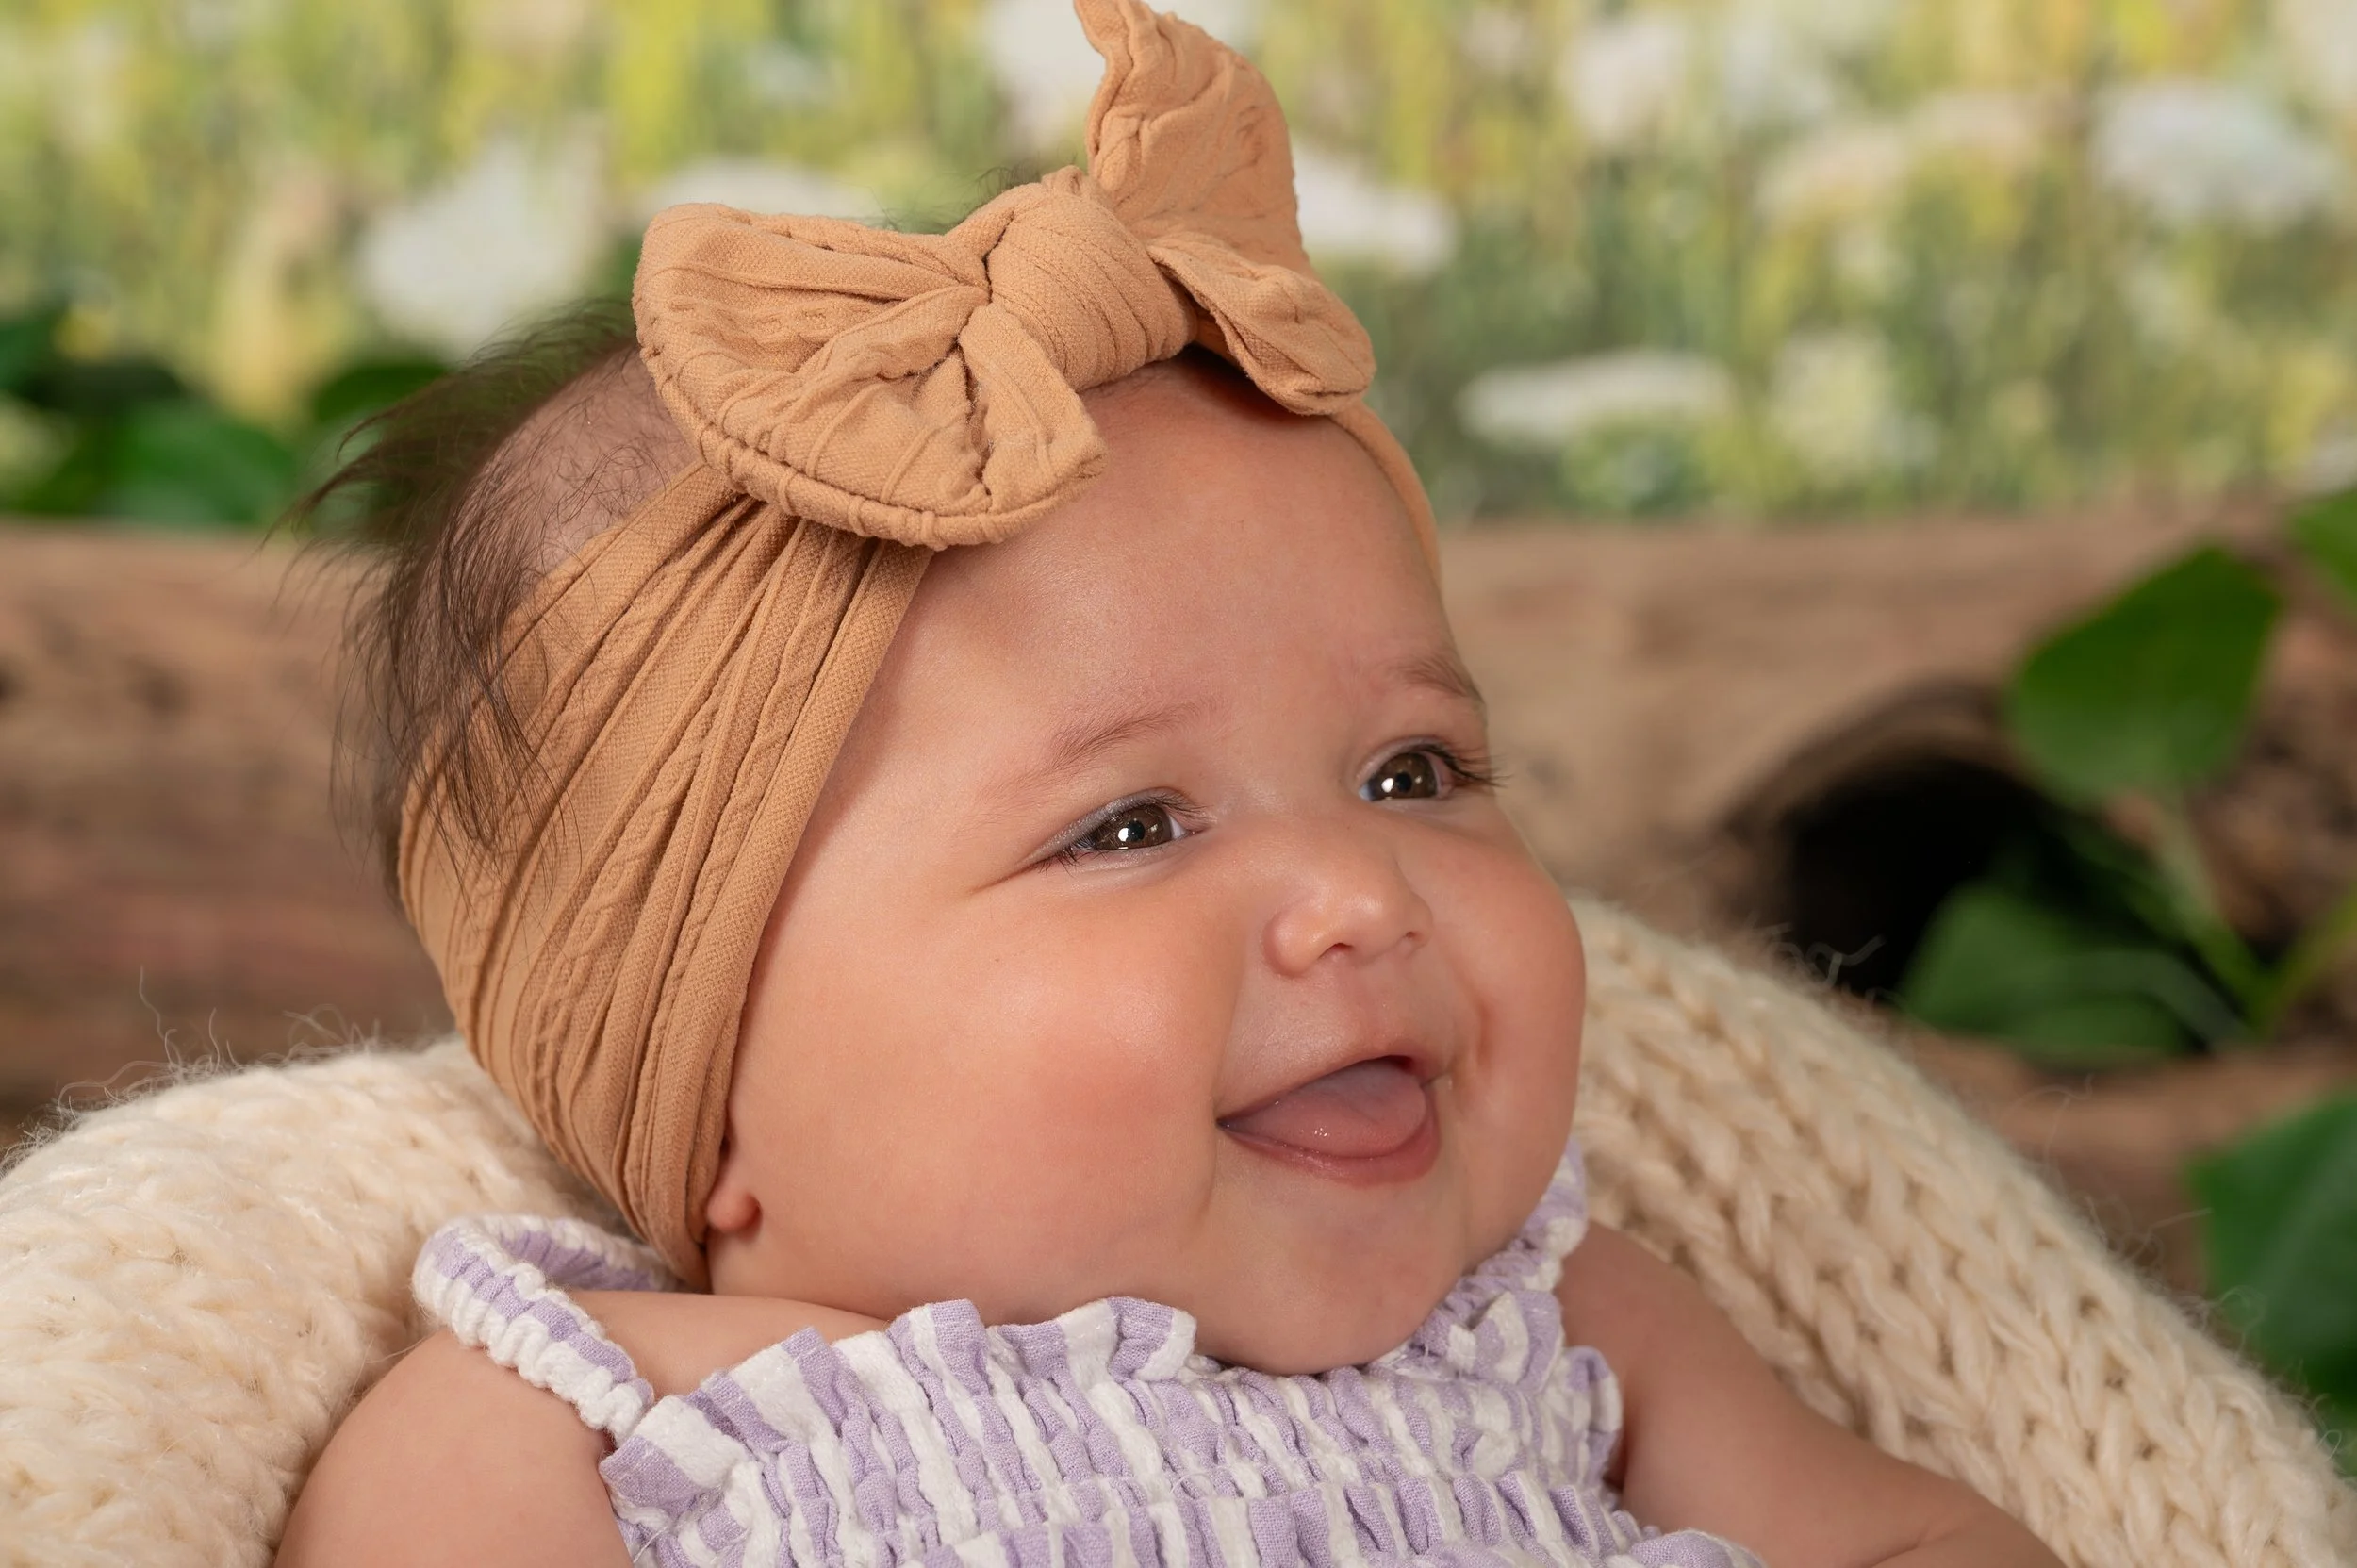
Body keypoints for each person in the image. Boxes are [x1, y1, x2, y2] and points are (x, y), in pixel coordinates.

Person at [275, 5, 2065, 1563]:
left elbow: (1926, 1533)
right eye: (1132, 825)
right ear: (709, 1078)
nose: (1366, 893)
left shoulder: (1551, 1315)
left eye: (1412, 768)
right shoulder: (583, 1415)